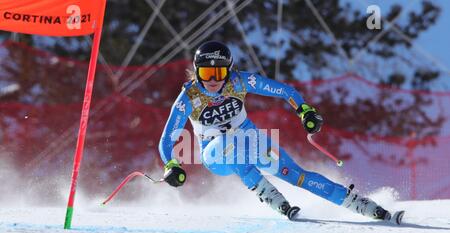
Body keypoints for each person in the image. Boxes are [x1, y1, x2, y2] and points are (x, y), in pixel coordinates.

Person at [159, 40, 402, 223]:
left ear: (229, 70)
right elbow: (167, 139)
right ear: (196, 72)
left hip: (249, 139)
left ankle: (359, 204)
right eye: (206, 73)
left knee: (294, 174)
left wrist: (305, 111)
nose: (213, 80)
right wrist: (171, 164)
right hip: (214, 154)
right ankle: (268, 194)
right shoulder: (189, 97)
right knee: (229, 142)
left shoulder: (240, 81)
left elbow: (284, 91)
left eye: (219, 72)